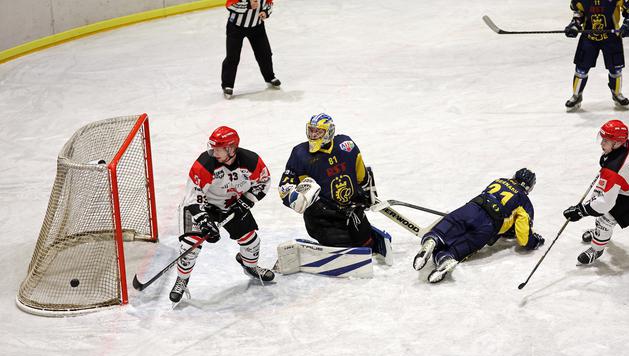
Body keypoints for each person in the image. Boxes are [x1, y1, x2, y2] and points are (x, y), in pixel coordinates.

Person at [170, 126, 274, 302]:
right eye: (213, 147)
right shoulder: (205, 164)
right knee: (190, 246)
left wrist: (247, 201)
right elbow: (192, 198)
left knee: (251, 241)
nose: (213, 151)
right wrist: (204, 221)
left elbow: (264, 183)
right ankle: (182, 280)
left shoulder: (251, 161)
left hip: (232, 205)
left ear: (231, 148)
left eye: (218, 148)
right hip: (203, 206)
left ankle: (250, 266)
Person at [278, 113, 392, 262]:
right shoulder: (300, 154)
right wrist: (295, 198)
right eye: (311, 130)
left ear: (329, 131)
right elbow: (284, 186)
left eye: (318, 131)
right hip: (323, 219)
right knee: (348, 253)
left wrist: (366, 195)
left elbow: (362, 176)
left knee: (366, 243)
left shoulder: (346, 145)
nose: (313, 135)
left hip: (351, 211)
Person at [413, 169, 545, 283]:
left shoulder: (499, 181)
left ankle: (433, 240)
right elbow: (524, 237)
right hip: (489, 225)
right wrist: (534, 242)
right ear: (529, 186)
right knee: (461, 248)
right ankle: (445, 257)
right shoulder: (524, 201)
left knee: (443, 231)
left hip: (471, 209)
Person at [563, 120, 629, 264]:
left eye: (606, 141)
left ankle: (597, 249)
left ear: (617, 144)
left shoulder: (613, 169)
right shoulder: (628, 140)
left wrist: (580, 211)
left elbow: (605, 204)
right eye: (602, 139)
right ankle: (600, 233)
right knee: (596, 199)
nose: (601, 144)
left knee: (606, 218)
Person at [564, 0, 629, 110]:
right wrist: (574, 25)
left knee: (616, 69)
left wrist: (628, 23)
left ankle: (617, 93)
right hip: (588, 36)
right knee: (581, 69)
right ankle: (576, 95)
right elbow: (579, 13)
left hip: (612, 37)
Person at [221, 0, 280, 98]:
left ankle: (269, 77)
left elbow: (269, 3)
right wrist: (248, 5)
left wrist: (265, 12)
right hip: (236, 27)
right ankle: (227, 85)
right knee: (232, 57)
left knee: (265, 53)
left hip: (257, 27)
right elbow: (230, 5)